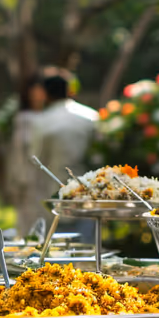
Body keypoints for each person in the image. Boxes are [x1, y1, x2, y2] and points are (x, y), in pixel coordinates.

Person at [34, 72, 100, 238]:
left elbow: (36, 160)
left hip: (53, 191)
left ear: (45, 94)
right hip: (90, 192)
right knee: (89, 248)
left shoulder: (42, 121)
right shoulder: (91, 117)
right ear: (69, 90)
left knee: (55, 249)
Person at [5, 73, 50, 238]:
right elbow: (17, 154)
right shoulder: (24, 119)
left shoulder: (52, 117)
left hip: (49, 178)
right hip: (29, 181)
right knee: (29, 229)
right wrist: (16, 182)